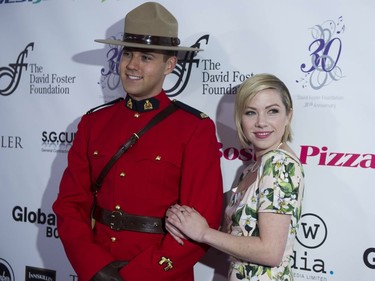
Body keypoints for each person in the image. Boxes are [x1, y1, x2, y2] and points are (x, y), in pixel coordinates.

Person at [52, 2, 223, 281]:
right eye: (128, 53)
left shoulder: (195, 128)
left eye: (146, 57)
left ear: (169, 65)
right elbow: (70, 205)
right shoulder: (93, 123)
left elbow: (201, 226)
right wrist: (95, 267)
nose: (132, 65)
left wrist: (135, 276)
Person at [166, 73, 305, 280]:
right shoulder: (252, 168)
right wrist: (179, 216)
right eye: (251, 113)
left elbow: (270, 252)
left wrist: (203, 233)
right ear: (240, 118)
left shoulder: (279, 164)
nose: (261, 122)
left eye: (272, 111)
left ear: (288, 116)